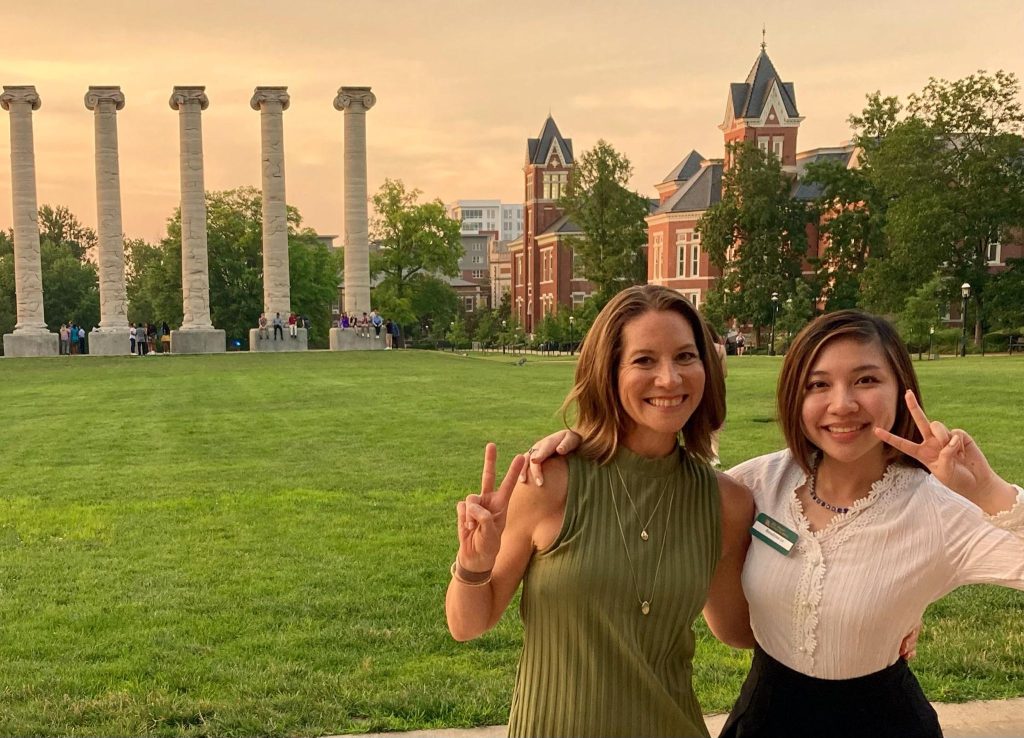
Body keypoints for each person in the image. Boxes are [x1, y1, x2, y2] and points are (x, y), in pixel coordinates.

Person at [528, 310, 1024, 738]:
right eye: (819, 384)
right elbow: (666, 488)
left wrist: (987, 491)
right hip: (766, 716)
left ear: (901, 391)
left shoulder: (938, 511)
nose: (842, 404)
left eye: (867, 380)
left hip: (881, 722)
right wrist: (587, 446)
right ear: (795, 397)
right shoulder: (761, 484)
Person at [446, 285, 753, 738]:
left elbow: (739, 630)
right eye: (644, 360)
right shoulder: (548, 481)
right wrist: (472, 565)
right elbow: (468, 625)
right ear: (608, 372)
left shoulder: (726, 502)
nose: (669, 379)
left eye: (686, 357)